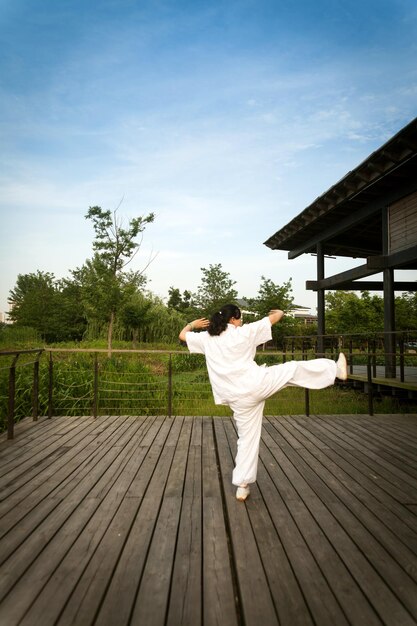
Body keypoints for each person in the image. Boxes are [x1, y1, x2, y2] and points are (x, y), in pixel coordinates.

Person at [179, 304, 347, 502]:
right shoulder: (245, 333)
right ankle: (334, 371)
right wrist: (280, 312)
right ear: (233, 319)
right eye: (239, 318)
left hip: (236, 397)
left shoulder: (207, 339)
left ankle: (242, 486)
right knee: (292, 369)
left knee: (246, 439)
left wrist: (193, 323)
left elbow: (183, 335)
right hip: (256, 384)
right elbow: (275, 318)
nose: (241, 322)